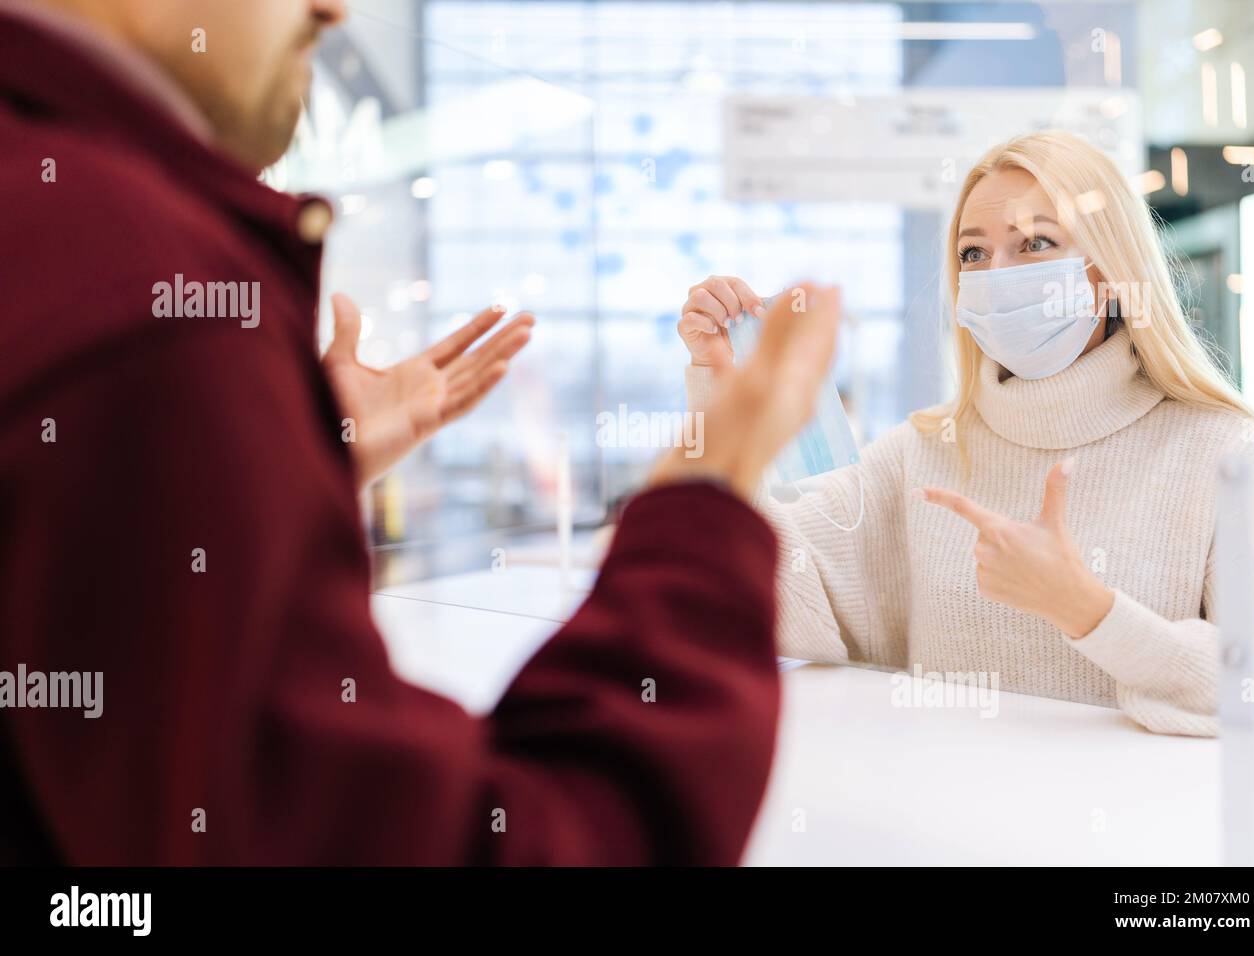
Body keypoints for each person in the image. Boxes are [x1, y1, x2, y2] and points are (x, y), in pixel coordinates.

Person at [0, 0, 844, 864]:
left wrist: (272, 463)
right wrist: (704, 508)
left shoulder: (64, 244)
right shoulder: (146, 302)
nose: (333, 9)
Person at [678, 130, 1254, 736]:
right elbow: (746, 583)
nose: (997, 273)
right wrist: (721, 391)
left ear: (1109, 275)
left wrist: (1090, 611)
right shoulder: (922, 451)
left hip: (1142, 834)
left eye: (1034, 243)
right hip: (950, 830)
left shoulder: (1218, 449)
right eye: (974, 253)